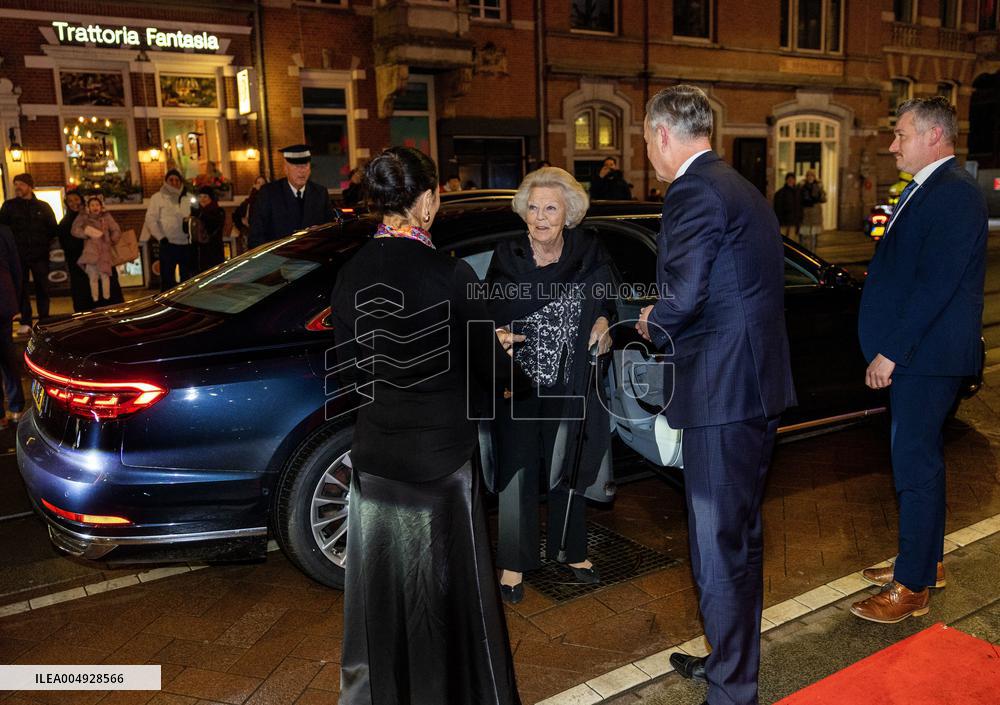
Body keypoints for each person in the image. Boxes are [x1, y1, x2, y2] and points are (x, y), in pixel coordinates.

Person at [331, 146, 521, 705]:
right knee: (445, 597)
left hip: (376, 460)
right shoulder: (451, 273)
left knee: (386, 594)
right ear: (429, 202)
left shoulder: (351, 272)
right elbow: (490, 374)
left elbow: (351, 371)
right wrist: (499, 355)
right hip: (440, 463)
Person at [636, 85, 796, 705]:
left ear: (662, 135)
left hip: (722, 393)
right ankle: (731, 660)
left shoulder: (693, 190)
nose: (649, 151)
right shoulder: (740, 184)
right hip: (751, 389)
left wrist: (653, 320)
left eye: (647, 140)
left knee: (716, 545)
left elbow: (686, 292)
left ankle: (733, 689)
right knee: (741, 536)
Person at [851, 97, 987, 624]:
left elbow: (935, 287)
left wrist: (892, 351)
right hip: (921, 353)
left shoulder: (953, 195)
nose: (892, 144)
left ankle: (911, 587)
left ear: (934, 135)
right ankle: (925, 561)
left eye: (901, 134)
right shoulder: (928, 189)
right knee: (918, 460)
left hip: (926, 356)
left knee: (914, 464)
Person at [485, 166, 615, 605]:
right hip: (518, 381)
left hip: (569, 377)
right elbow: (486, 310)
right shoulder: (507, 255)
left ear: (568, 214)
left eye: (551, 208)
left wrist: (604, 322)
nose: (540, 217)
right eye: (534, 208)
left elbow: (609, 300)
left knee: (566, 463)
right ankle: (514, 561)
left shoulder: (589, 252)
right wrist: (496, 335)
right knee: (517, 467)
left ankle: (571, 550)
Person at [0, 173, 57, 334]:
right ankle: (25, 320)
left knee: (42, 288)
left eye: (21, 184)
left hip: (40, 255)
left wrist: (44, 243)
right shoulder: (9, 206)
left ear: (29, 186)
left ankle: (44, 320)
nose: (18, 187)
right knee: (21, 287)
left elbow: (52, 228)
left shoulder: (43, 207)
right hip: (18, 255)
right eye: (16, 184)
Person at [249, 145, 335, 248]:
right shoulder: (269, 193)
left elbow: (332, 231)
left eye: (305, 165)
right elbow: (256, 236)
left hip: (313, 259)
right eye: (296, 166)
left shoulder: (320, 193)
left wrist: (320, 232)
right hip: (280, 260)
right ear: (285, 169)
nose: (302, 170)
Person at [144, 169, 192, 291]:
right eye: (171, 180)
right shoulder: (157, 198)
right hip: (168, 244)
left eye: (177, 180)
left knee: (187, 279)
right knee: (167, 278)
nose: (174, 182)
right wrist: (161, 237)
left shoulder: (188, 197)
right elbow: (151, 219)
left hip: (186, 244)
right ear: (166, 181)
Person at [71, 196, 121, 303]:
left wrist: (112, 240)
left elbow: (116, 229)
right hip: (91, 251)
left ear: (101, 206)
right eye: (92, 205)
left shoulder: (106, 217)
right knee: (92, 276)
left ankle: (107, 299)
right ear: (88, 207)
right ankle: (95, 299)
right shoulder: (84, 217)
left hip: (104, 251)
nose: (95, 207)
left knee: (105, 276)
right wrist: (86, 234)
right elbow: (75, 229)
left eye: (97, 205)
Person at [0, 223, 25, 427]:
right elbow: (16, 267)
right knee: (7, 353)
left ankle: (2, 413)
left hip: (4, 298)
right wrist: (15, 298)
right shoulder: (4, 230)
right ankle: (16, 407)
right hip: (4, 298)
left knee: (8, 353)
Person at [56, 190, 92, 312]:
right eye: (70, 201)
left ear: (81, 200)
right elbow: (66, 244)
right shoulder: (64, 223)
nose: (73, 203)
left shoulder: (91, 216)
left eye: (76, 199)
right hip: (77, 263)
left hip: (95, 260)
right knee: (82, 292)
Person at [191, 187, 226, 274]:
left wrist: (201, 215)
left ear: (211, 198)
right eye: (200, 197)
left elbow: (213, 226)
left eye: (205, 197)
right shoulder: (195, 212)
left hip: (213, 252)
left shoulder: (218, 211)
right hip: (199, 253)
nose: (202, 199)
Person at [232, 176, 267, 253]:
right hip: (251, 235)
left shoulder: (269, 199)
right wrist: (242, 222)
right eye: (258, 183)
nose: (260, 185)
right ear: (254, 185)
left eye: (263, 183)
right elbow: (236, 215)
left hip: (265, 236)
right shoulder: (249, 201)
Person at [799, 169, 825, 252]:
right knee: (803, 235)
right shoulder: (802, 186)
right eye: (808, 175)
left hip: (815, 214)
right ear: (806, 177)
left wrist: (820, 193)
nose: (810, 177)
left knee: (814, 236)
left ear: (814, 177)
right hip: (805, 214)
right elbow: (799, 198)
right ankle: (804, 253)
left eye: (812, 175)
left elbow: (823, 199)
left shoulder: (818, 186)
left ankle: (813, 253)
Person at [773, 172, 802, 242]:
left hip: (793, 222)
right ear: (786, 180)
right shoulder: (780, 193)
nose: (791, 180)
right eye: (789, 179)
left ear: (794, 180)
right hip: (783, 222)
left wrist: (799, 219)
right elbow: (777, 208)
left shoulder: (798, 192)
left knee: (792, 242)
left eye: (792, 179)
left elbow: (799, 207)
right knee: (782, 242)